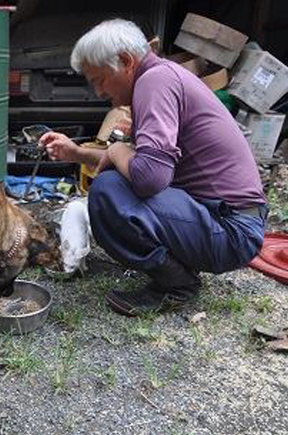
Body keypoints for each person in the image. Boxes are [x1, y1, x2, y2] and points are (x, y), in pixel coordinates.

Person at [39, 19, 267, 317]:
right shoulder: (160, 78)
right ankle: (178, 269)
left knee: (107, 190)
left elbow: (148, 177)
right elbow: (135, 161)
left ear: (125, 61)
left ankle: (177, 285)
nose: (97, 91)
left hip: (232, 230)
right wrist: (76, 153)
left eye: (99, 79)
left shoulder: (154, 82)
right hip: (223, 219)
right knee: (115, 179)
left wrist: (118, 149)